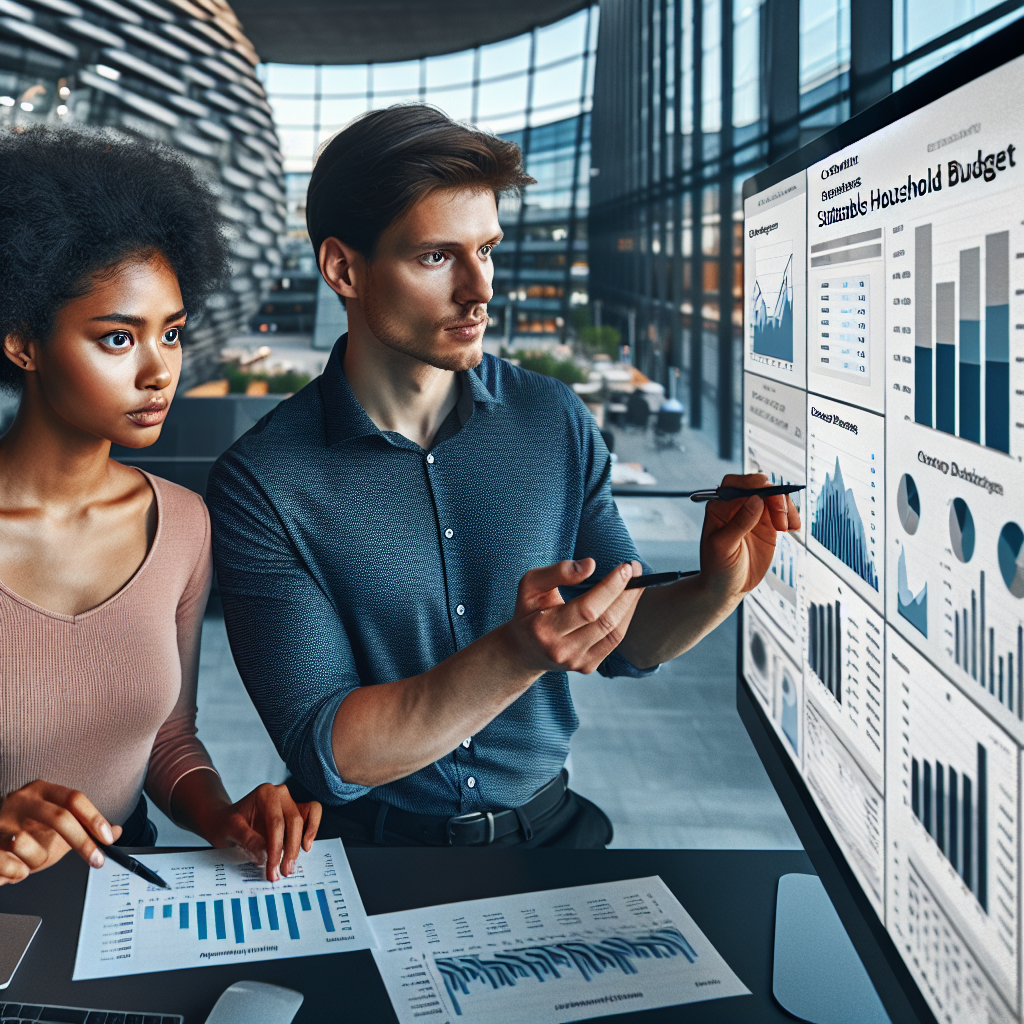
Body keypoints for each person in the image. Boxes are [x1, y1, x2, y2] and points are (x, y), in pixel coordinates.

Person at [207, 105, 800, 848]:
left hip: (551, 833)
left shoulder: (553, 417)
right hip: (371, 854)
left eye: (487, 249)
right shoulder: (262, 482)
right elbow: (330, 751)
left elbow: (620, 635)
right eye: (436, 257)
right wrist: (516, 653)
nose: (479, 289)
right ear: (343, 269)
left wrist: (717, 587)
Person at [0, 128, 321, 885]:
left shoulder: (180, 525)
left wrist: (223, 816)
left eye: (171, 333)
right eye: (118, 339)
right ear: (23, 343)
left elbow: (168, 740)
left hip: (126, 885)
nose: (160, 372)